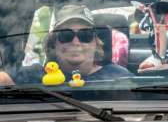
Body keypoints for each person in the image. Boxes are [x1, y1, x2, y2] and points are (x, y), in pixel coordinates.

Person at [1, 5, 132, 86]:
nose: (76, 42)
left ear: (95, 43)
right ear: (53, 43)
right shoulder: (35, 74)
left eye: (85, 35)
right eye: (66, 35)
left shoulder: (117, 76)